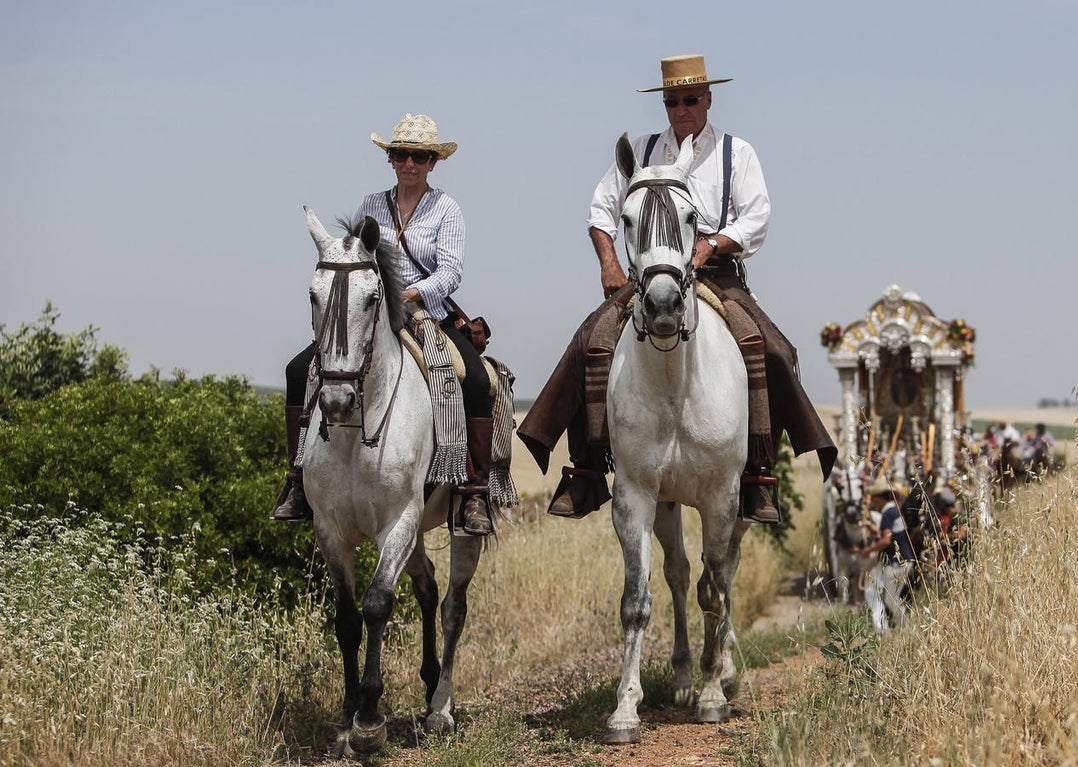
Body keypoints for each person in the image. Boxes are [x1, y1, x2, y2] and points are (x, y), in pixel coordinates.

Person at [517, 54, 836, 524]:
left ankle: (760, 474)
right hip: (651, 273)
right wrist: (609, 263)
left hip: (717, 273)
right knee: (591, 340)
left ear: (708, 99)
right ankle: (585, 468)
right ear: (664, 104)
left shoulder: (736, 153)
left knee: (771, 349)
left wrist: (709, 247)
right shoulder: (641, 152)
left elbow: (756, 217)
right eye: (673, 101)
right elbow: (601, 210)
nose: (682, 108)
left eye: (690, 99)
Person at [270, 113, 496, 536]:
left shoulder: (447, 209)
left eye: (419, 156)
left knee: (476, 381)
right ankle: (298, 479)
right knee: (298, 370)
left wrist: (411, 294)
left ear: (433, 162)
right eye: (400, 154)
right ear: (390, 159)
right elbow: (356, 259)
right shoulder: (371, 206)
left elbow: (450, 273)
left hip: (424, 312)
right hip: (370, 312)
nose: (409, 163)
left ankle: (473, 491)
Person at [859, 478, 914, 634]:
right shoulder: (894, 510)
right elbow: (891, 534)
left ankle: (903, 629)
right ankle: (901, 629)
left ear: (878, 497)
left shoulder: (887, 513)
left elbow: (885, 540)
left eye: (873, 497)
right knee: (891, 598)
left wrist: (869, 550)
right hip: (905, 561)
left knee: (889, 599)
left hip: (896, 563)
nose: (872, 501)